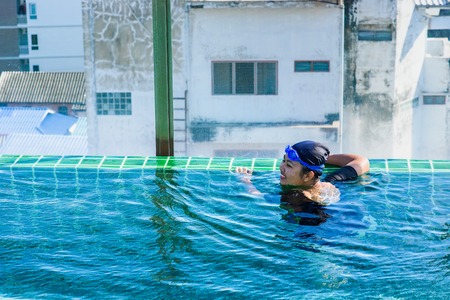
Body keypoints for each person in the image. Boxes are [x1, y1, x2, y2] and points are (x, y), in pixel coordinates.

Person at [236, 140, 370, 206]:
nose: (281, 167)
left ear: (308, 175)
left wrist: (246, 180)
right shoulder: (330, 183)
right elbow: (361, 161)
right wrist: (318, 159)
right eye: (283, 161)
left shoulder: (297, 197)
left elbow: (257, 196)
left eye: (289, 165)